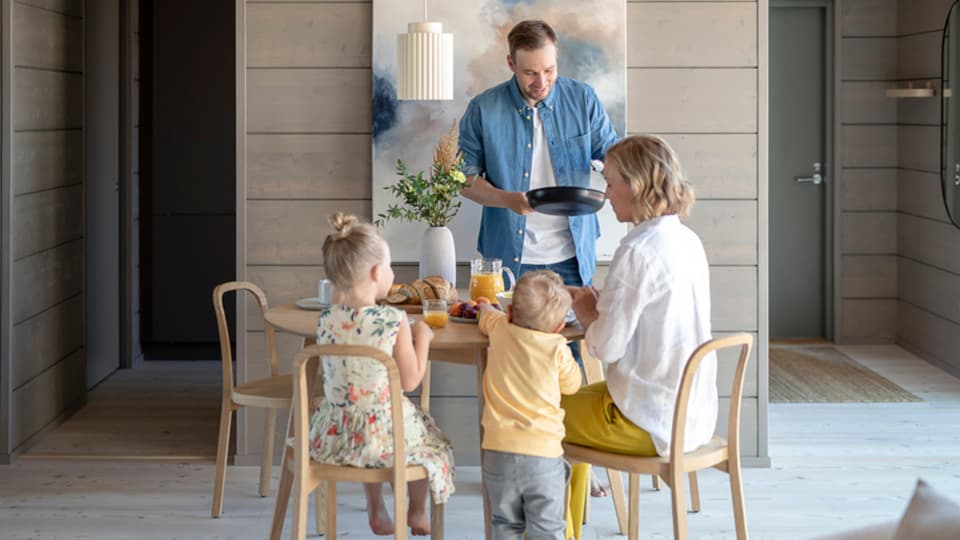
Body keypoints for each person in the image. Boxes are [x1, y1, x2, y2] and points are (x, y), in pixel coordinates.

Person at [562, 134, 717, 461]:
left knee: (537, 411)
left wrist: (587, 309)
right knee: (572, 397)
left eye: (610, 183)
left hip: (649, 422)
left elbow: (605, 348)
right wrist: (609, 305)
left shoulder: (637, 250)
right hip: (694, 417)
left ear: (635, 184)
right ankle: (567, 514)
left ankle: (545, 514)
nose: (606, 194)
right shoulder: (687, 240)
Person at [309, 212, 455, 536]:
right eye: (389, 267)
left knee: (369, 431)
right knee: (428, 440)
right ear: (377, 272)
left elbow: (341, 300)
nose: (392, 273)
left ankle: (377, 510)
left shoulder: (326, 319)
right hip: (385, 436)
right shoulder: (394, 318)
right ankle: (416, 511)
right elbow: (411, 380)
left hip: (334, 435)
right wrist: (424, 338)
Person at [458, 19, 620, 294]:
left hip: (574, 256)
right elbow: (463, 179)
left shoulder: (583, 99)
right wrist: (508, 200)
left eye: (549, 69)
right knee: (510, 338)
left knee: (570, 338)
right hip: (509, 260)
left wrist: (618, 186)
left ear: (556, 57)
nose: (541, 82)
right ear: (511, 64)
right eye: (530, 73)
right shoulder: (483, 109)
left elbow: (614, 156)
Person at [476, 270, 582, 540]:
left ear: (510, 312)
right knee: (547, 529)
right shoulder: (557, 347)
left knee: (504, 524)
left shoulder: (500, 327)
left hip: (497, 452)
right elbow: (572, 385)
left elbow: (485, 316)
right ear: (559, 327)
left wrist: (485, 306)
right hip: (543, 457)